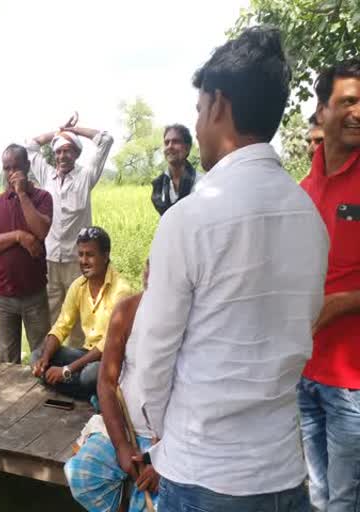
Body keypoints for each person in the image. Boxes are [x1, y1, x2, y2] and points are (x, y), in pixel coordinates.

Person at [129, 27, 328, 511]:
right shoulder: (310, 217)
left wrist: (150, 432)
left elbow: (151, 361)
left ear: (218, 105)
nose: (197, 127)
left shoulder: (190, 220)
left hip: (204, 474)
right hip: (283, 473)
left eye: (198, 112)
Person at [298, 58, 360, 512]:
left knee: (344, 500)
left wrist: (341, 303)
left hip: (352, 381)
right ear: (321, 111)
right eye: (349, 101)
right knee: (317, 496)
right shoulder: (302, 191)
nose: (359, 112)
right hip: (305, 373)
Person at [65, 264, 157, 512]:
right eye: (149, 266)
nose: (150, 273)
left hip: (172, 442)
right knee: (82, 475)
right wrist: (122, 447)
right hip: (125, 429)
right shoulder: (127, 311)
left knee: (154, 503)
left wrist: (163, 459)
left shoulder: (192, 318)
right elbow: (106, 383)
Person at [26, 118, 113, 348]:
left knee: (79, 317)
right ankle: (52, 361)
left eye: (68, 151)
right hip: (51, 260)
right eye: (59, 151)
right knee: (53, 316)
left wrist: (73, 130)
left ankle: (74, 366)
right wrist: (58, 131)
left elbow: (106, 140)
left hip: (78, 262)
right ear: (54, 154)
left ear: (76, 154)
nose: (63, 156)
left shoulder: (86, 177)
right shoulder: (45, 176)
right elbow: (30, 145)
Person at [30, 227, 131, 399]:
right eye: (81, 254)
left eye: (90, 255)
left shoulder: (121, 291)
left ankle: (73, 383)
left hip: (112, 360)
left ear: (105, 256)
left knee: (89, 376)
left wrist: (68, 370)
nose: (83, 261)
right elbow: (62, 326)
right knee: (37, 355)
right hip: (87, 354)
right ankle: (92, 391)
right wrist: (45, 359)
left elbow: (107, 345)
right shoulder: (78, 286)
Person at [0, 144, 53, 364]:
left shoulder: (42, 198)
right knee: (6, 361)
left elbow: (41, 230)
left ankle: (40, 398)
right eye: (6, 168)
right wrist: (18, 237)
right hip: (4, 296)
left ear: (27, 166)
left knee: (42, 357)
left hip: (34, 294)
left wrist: (22, 195)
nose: (11, 174)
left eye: (16, 167)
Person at [150, 124, 201, 215]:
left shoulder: (202, 183)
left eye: (176, 142)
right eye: (166, 143)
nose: (170, 146)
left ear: (187, 148)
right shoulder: (159, 186)